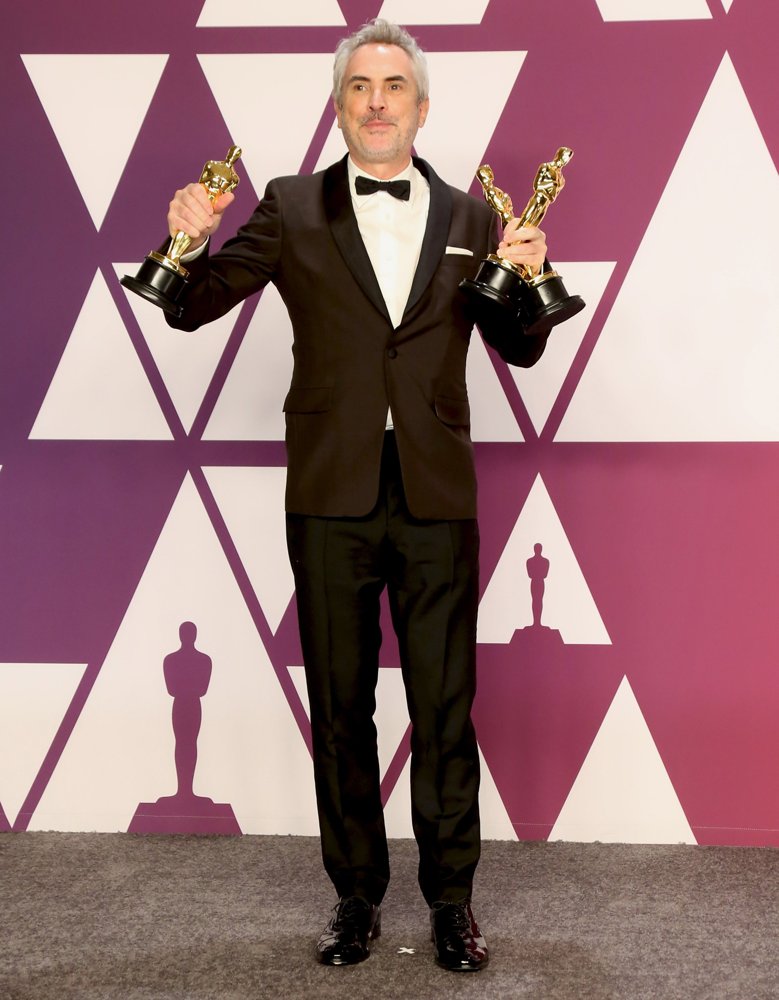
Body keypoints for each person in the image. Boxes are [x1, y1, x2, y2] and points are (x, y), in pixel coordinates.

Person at [163, 18, 553, 972]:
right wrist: (182, 243)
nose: (375, 101)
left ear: (421, 107)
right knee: (339, 706)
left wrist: (529, 281)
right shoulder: (291, 206)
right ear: (339, 107)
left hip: (435, 492)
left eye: (392, 87)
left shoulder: (469, 218)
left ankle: (453, 903)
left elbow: (523, 348)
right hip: (330, 490)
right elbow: (192, 307)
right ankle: (354, 898)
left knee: (445, 705)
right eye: (358, 88)